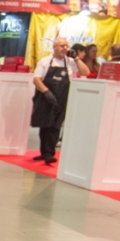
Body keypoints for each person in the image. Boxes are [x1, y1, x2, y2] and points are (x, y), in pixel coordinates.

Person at [31, 36, 88, 164]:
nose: (65, 48)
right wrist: (46, 92)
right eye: (62, 46)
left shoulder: (70, 62)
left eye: (66, 46)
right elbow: (36, 79)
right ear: (54, 47)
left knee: (55, 127)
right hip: (45, 98)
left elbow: (85, 72)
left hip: (61, 99)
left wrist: (77, 58)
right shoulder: (45, 61)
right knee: (44, 125)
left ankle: (49, 153)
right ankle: (44, 152)